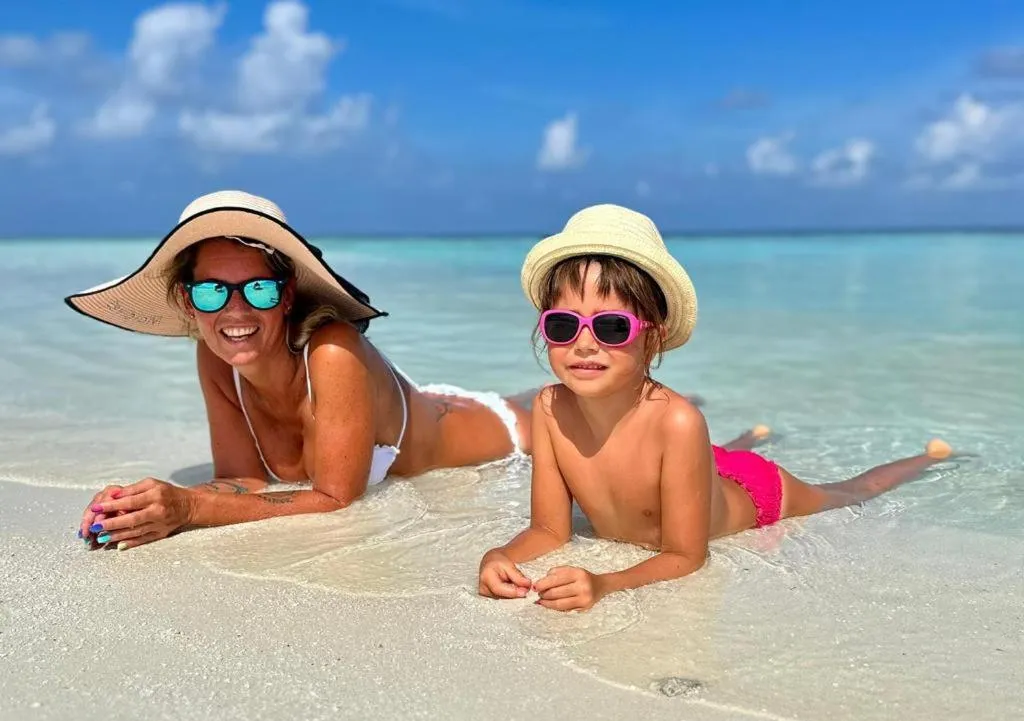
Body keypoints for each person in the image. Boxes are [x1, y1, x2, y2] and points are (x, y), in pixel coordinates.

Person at [477, 204, 956, 612]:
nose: (584, 344)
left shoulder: (680, 422)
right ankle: (750, 436)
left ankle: (930, 457)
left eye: (612, 328)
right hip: (696, 469)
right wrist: (500, 555)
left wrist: (605, 584)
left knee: (849, 492)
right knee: (711, 458)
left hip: (755, 492)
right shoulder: (549, 407)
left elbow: (686, 557)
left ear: (653, 337)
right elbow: (548, 528)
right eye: (563, 325)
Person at [66, 190, 536, 550]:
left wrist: (189, 508)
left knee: (555, 407)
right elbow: (241, 480)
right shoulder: (217, 358)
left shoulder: (333, 351)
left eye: (258, 290)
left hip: (506, 432)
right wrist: (139, 505)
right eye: (212, 292)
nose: (235, 312)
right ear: (189, 302)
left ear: (287, 296)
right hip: (425, 405)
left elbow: (335, 499)